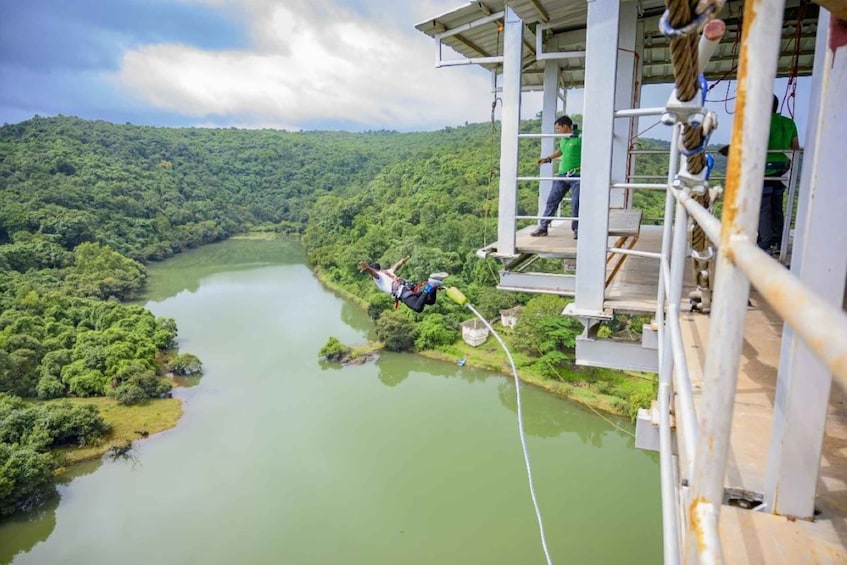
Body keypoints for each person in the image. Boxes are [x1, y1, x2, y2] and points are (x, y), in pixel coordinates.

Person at [760, 94, 799, 253]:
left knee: (763, 207)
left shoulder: (760, 123)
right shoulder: (789, 123)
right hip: (782, 170)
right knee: (777, 206)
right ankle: (778, 241)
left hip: (763, 171)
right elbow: (795, 148)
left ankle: (765, 242)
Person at [533, 115, 582, 239]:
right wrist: (548, 159)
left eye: (558, 128)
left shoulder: (580, 137)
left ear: (565, 126)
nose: (557, 131)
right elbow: (561, 150)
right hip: (562, 174)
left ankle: (577, 229)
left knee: (576, 203)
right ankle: (543, 227)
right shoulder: (564, 139)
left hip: (577, 175)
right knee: (552, 200)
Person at [359, 257, 447, 313]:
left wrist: (367, 269)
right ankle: (434, 284)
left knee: (418, 308)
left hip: (402, 292)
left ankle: (430, 285)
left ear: (374, 269)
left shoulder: (378, 277)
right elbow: (396, 266)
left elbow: (374, 274)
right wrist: (402, 261)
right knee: (430, 301)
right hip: (409, 287)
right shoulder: (387, 271)